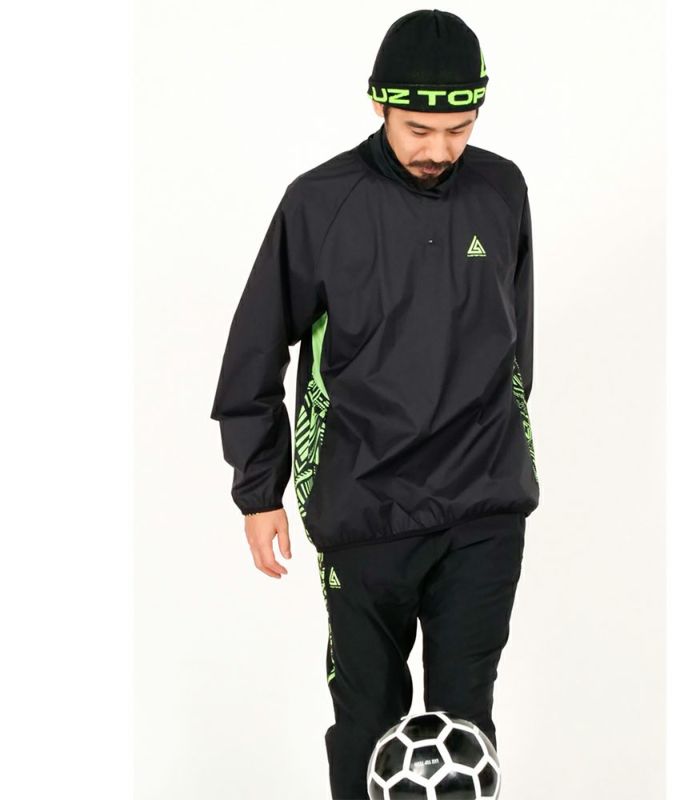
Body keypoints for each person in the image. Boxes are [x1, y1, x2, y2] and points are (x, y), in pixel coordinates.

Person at [210, 9, 540, 798]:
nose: (439, 150)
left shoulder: (502, 189)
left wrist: (503, 447)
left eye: (458, 129)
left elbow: (514, 338)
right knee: (367, 721)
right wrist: (258, 490)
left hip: (483, 506)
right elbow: (256, 349)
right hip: (364, 507)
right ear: (379, 103)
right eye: (419, 129)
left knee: (464, 728)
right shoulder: (320, 203)